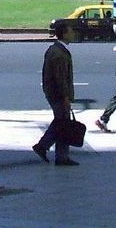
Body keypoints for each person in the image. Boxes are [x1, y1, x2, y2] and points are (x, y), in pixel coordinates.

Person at [32, 21, 78, 166]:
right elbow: (61, 77)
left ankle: (58, 154)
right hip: (58, 94)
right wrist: (66, 96)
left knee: (61, 122)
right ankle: (47, 148)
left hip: (53, 92)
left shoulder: (56, 50)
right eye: (71, 31)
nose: (73, 34)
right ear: (64, 34)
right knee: (62, 123)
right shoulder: (59, 53)